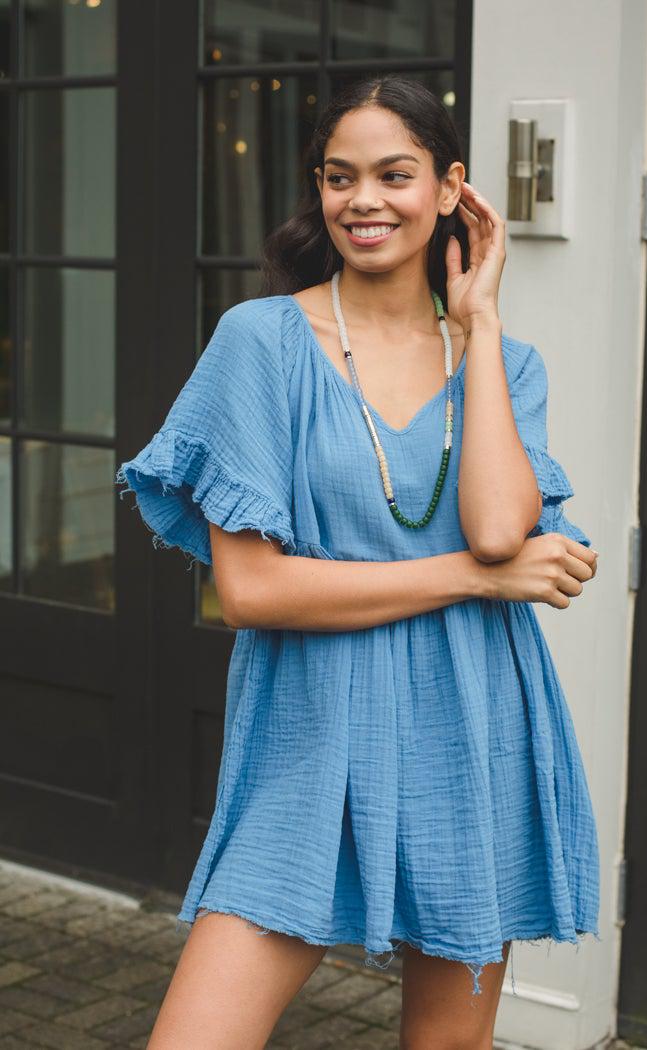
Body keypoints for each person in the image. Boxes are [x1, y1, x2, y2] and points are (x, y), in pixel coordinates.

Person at [116, 74, 601, 1050]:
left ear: (452, 186)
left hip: (472, 720)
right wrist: (470, 578)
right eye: (340, 178)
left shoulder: (507, 363)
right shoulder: (260, 345)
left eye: (394, 174)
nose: (364, 200)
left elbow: (503, 530)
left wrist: (482, 325)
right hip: (313, 725)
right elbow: (252, 590)